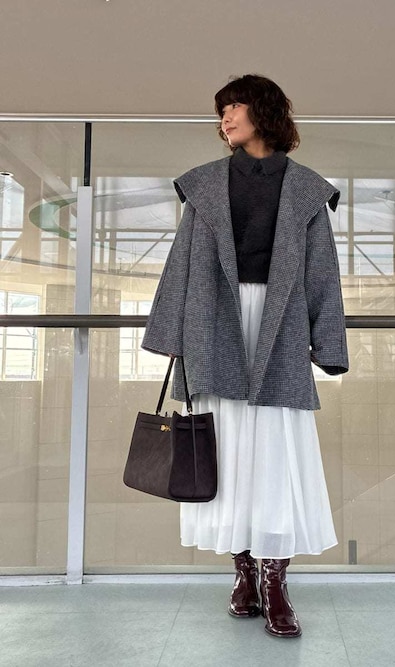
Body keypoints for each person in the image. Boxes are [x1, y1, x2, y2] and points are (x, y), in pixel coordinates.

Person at [142, 74, 348, 638]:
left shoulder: (306, 189)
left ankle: (275, 582)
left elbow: (321, 272)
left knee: (276, 454)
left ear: (263, 111)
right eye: (222, 110)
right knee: (224, 451)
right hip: (214, 323)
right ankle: (242, 575)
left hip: (280, 327)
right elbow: (182, 262)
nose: (225, 117)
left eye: (234, 106)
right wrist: (170, 333)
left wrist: (328, 345)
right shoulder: (204, 185)